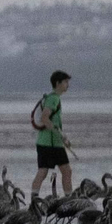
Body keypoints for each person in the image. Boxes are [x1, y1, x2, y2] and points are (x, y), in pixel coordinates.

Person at [31, 70, 73, 199]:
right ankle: (69, 200)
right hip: (51, 144)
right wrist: (61, 136)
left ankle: (34, 198)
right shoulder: (53, 99)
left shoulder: (51, 97)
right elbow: (45, 118)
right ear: (57, 83)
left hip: (44, 142)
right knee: (65, 171)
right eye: (65, 82)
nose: (68, 85)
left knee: (44, 171)